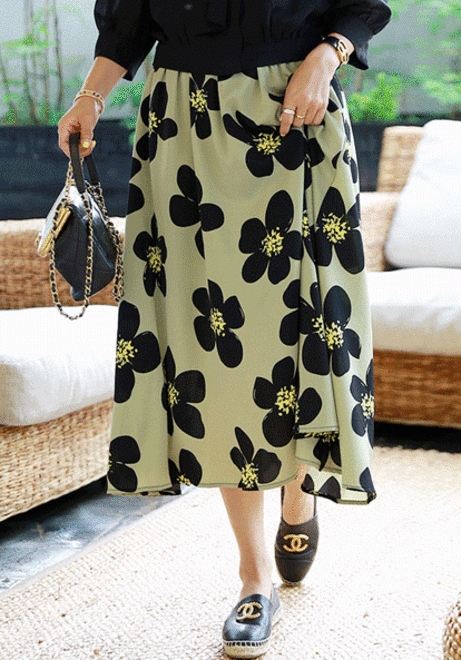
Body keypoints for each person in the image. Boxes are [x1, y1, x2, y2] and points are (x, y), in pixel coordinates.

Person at [58, 0, 391, 656]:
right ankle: (253, 577)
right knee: (214, 351)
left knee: (297, 332)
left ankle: (297, 491)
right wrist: (90, 97)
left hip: (295, 113)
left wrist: (327, 57)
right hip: (185, 129)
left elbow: (361, 5)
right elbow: (128, 19)